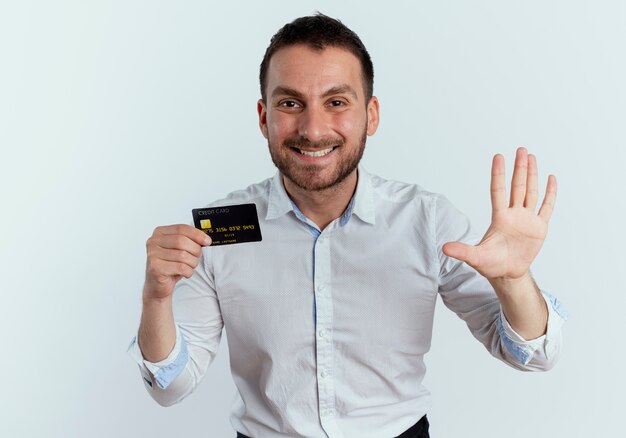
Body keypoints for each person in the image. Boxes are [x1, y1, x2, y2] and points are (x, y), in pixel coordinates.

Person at [128, 14, 568, 438]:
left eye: (336, 102)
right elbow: (170, 386)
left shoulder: (428, 221)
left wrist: (513, 280)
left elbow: (531, 355)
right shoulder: (216, 231)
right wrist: (155, 297)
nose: (313, 129)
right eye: (290, 103)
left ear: (371, 115)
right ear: (264, 117)